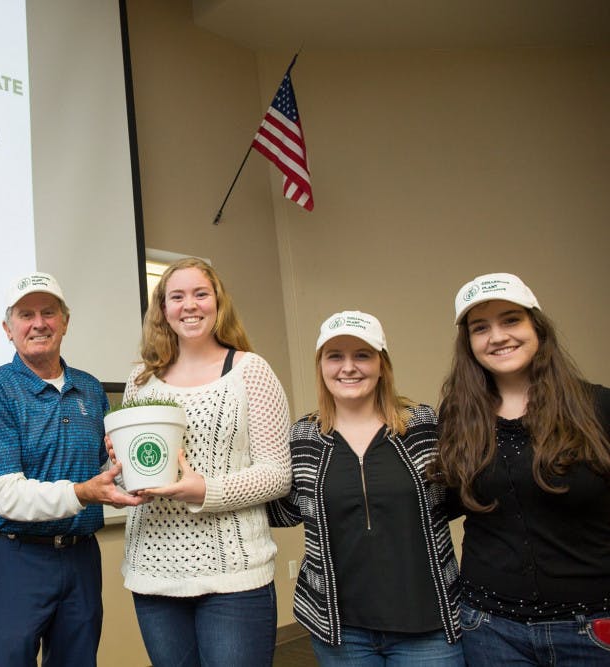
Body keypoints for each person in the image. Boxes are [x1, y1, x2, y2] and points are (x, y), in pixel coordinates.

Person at [116, 257, 292, 667]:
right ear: (163, 309)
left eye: (200, 294)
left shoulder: (250, 371)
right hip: (153, 574)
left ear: (218, 303)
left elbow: (277, 474)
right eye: (176, 296)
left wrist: (206, 491)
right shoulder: (139, 380)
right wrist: (121, 470)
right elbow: (135, 469)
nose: (189, 305)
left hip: (233, 576)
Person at [0, 271, 144, 667]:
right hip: (11, 558)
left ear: (65, 321)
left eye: (49, 312)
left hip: (79, 558)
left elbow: (110, 470)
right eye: (26, 314)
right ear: (8, 329)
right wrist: (83, 493)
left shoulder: (91, 389)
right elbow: (6, 496)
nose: (38, 322)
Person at [432, 273, 610, 665]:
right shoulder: (458, 417)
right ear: (469, 344)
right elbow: (446, 502)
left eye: (511, 320)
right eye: (481, 328)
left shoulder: (597, 407)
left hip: (592, 627)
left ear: (537, 327)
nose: (497, 336)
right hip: (490, 628)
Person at [267, 311, 463, 665]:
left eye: (362, 355)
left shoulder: (424, 425)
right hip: (342, 632)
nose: (349, 367)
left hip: (429, 626)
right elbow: (283, 509)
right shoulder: (303, 437)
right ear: (321, 365)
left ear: (382, 363)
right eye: (335, 356)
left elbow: (458, 496)